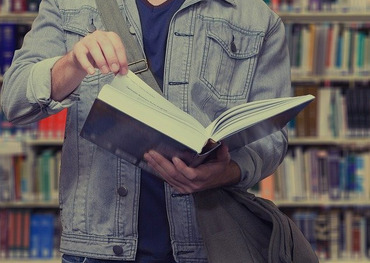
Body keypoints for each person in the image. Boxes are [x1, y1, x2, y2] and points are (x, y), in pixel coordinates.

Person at [1, 0, 291, 262]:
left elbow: (271, 137)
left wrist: (227, 171)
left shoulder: (258, 19)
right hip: (97, 250)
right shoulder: (68, 4)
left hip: (208, 248)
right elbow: (14, 100)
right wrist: (72, 63)